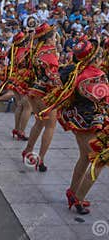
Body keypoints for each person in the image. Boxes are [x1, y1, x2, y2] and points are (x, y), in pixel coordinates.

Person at [39, 37, 109, 214]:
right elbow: (103, 99)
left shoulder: (72, 71)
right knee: (98, 161)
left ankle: (73, 192)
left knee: (85, 156)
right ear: (93, 58)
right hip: (89, 122)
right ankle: (79, 198)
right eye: (99, 55)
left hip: (76, 119)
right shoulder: (94, 75)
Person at [22, 23, 62, 172]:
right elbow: (53, 78)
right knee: (50, 126)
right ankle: (41, 159)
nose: (55, 40)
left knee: (39, 123)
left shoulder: (36, 52)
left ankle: (28, 150)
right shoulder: (49, 54)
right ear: (48, 39)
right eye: (53, 37)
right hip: (45, 93)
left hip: (34, 91)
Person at [7, 32, 32, 141]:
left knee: (19, 105)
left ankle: (17, 129)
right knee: (27, 107)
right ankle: (21, 131)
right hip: (23, 80)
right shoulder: (25, 52)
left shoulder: (15, 51)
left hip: (15, 79)